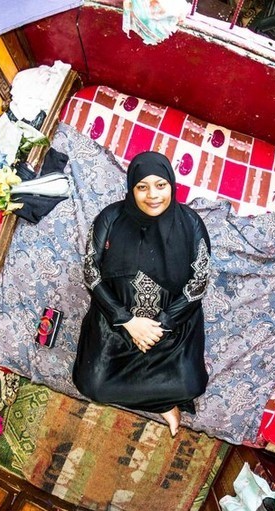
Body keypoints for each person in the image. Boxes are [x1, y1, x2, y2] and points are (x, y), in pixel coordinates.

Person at [72, 151, 211, 436]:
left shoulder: (191, 223)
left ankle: (164, 401)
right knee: (91, 384)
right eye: (142, 187)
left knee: (192, 384)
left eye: (160, 185)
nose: (153, 196)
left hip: (171, 327)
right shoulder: (110, 217)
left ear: (171, 185)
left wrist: (162, 326)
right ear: (131, 188)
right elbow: (91, 272)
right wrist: (126, 320)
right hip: (115, 323)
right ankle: (163, 404)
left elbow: (199, 281)